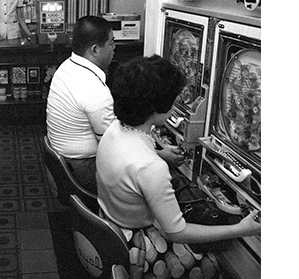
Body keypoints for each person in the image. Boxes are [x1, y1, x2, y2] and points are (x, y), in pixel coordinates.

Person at [96, 55, 260, 249]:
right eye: (172, 100)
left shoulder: (113, 130)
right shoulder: (151, 167)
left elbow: (130, 165)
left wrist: (159, 155)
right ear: (157, 107)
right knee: (215, 261)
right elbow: (177, 233)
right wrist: (240, 229)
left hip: (108, 222)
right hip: (136, 243)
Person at [46, 16, 185, 194]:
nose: (114, 48)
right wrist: (160, 155)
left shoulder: (67, 66)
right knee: (168, 180)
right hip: (83, 168)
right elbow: (116, 147)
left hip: (65, 160)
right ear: (95, 50)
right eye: (111, 43)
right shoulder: (93, 89)